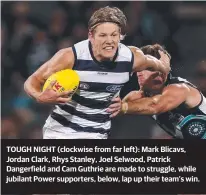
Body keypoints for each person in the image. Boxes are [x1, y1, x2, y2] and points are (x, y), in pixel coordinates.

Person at [24, 6, 170, 139]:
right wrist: (40, 97)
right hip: (61, 132)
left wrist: (164, 67)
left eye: (114, 35)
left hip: (98, 134)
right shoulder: (71, 57)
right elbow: (33, 80)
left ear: (121, 36)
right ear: (91, 36)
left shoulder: (132, 58)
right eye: (103, 35)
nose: (109, 41)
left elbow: (157, 64)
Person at [118, 44, 206, 139]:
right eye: (139, 68)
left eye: (147, 68)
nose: (139, 73)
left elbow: (155, 105)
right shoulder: (138, 96)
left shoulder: (180, 88)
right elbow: (111, 109)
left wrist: (123, 107)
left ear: (161, 71)